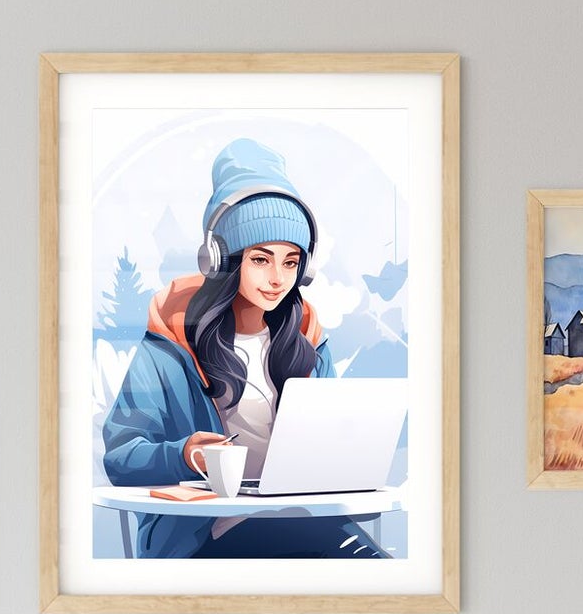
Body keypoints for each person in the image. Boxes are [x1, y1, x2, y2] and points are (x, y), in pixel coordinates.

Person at [99, 138, 387, 560]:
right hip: (207, 534)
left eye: (291, 262)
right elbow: (121, 456)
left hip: (304, 517)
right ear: (221, 259)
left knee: (375, 573)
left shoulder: (308, 339)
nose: (277, 278)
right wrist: (185, 454)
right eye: (261, 259)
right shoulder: (171, 341)